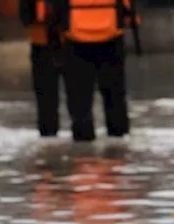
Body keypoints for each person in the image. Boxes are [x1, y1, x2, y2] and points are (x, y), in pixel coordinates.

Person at [50, 0, 134, 142]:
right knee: (115, 96)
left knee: (79, 100)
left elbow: (54, 10)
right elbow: (127, 8)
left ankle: (83, 147)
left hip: (75, 39)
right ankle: (118, 142)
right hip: (111, 37)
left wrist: (55, 42)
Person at [19, 0, 64, 138]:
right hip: (73, 41)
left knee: (46, 101)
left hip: (46, 42)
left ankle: (49, 136)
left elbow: (25, 16)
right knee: (80, 101)